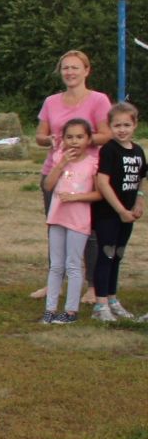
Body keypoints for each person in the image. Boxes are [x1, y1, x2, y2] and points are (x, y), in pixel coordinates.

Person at [34, 50, 111, 302]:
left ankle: (91, 285)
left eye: (75, 68)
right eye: (65, 68)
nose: (70, 72)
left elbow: (106, 134)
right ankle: (54, 281)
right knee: (55, 226)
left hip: (87, 173)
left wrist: (81, 141)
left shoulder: (99, 100)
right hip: (55, 172)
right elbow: (39, 136)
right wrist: (52, 139)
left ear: (86, 71)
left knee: (87, 229)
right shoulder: (51, 101)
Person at [41, 118, 100, 324]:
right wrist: (62, 163)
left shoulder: (93, 163)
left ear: (89, 139)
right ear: (63, 139)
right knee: (56, 265)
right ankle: (50, 309)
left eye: (79, 137)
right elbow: (48, 185)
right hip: (58, 216)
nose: (74, 141)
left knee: (73, 264)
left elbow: (99, 194)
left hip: (78, 220)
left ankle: (70, 311)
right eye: (69, 137)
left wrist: (76, 197)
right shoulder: (59, 157)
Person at [92, 103, 143, 323]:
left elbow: (143, 177)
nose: (122, 129)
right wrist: (120, 210)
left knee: (118, 255)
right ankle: (100, 303)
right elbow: (102, 182)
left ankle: (113, 299)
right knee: (106, 253)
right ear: (110, 126)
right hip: (109, 213)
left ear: (135, 125)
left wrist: (140, 202)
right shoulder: (109, 150)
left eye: (126, 125)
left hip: (128, 214)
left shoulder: (138, 150)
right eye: (117, 125)